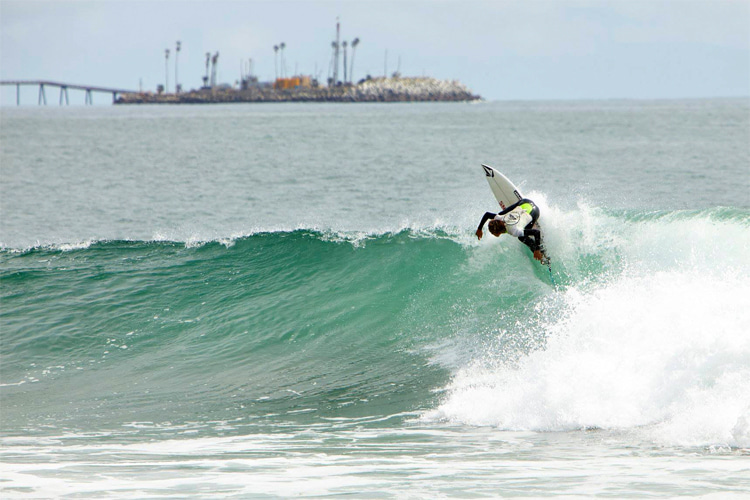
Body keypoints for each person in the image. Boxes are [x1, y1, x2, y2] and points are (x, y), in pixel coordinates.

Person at [476, 198, 547, 262]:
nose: (491, 233)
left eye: (492, 232)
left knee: (521, 237)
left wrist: (537, 250)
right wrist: (479, 229)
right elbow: (487, 214)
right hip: (525, 202)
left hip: (535, 211)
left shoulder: (514, 231)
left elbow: (536, 232)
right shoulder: (500, 218)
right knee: (501, 213)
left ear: (498, 233)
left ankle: (541, 252)